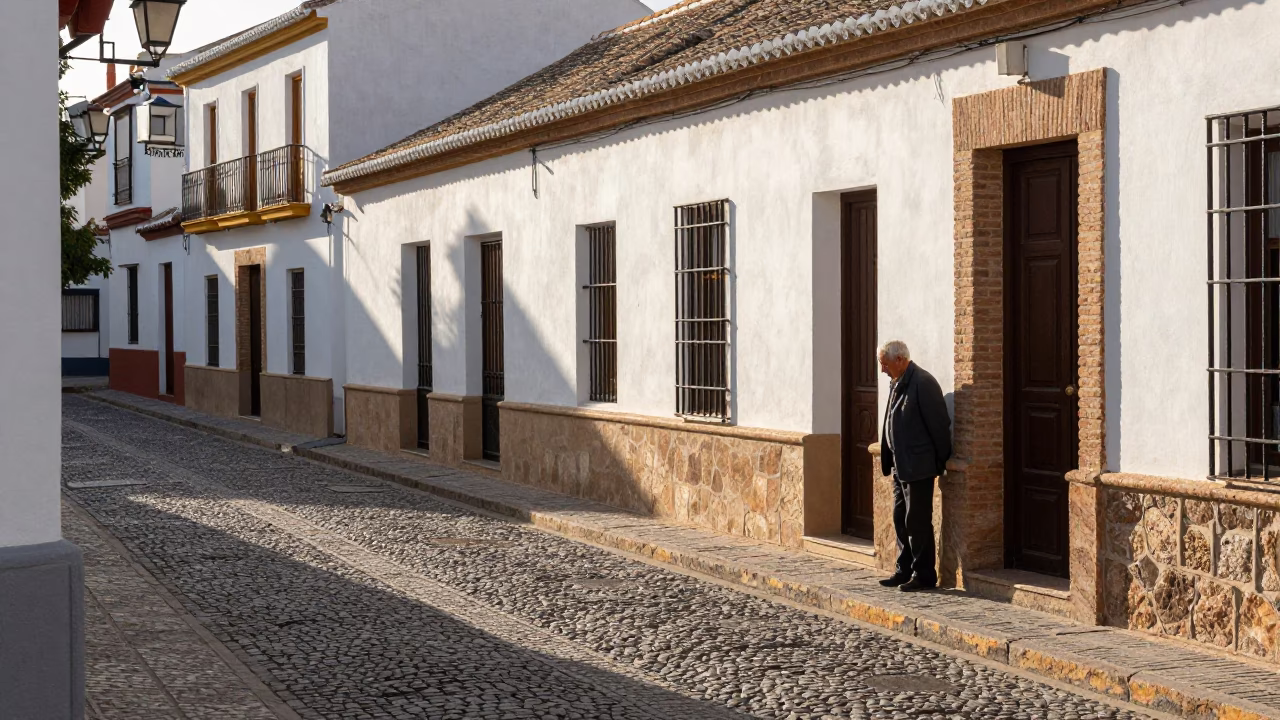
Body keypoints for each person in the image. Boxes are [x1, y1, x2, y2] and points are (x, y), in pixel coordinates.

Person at [876, 340, 951, 592]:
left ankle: (924, 574)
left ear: (900, 360)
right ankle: (903, 569)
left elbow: (939, 426)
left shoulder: (922, 383)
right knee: (900, 518)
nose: (883, 370)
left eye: (885, 364)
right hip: (901, 466)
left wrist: (939, 461)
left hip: (918, 466)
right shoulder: (897, 382)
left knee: (917, 520)